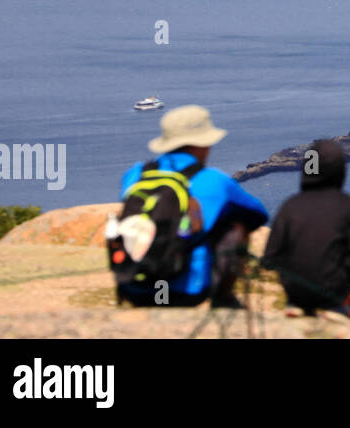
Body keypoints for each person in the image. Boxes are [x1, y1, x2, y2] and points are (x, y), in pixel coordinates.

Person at [115, 104, 268, 308]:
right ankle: (223, 298)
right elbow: (258, 215)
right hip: (186, 292)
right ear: (201, 145)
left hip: (131, 287)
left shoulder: (135, 174)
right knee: (235, 226)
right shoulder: (215, 180)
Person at [263, 139, 350, 319]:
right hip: (332, 293)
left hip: (295, 293)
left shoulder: (290, 206)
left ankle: (297, 305)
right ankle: (345, 301)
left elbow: (270, 258)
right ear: (340, 171)